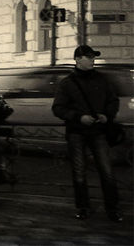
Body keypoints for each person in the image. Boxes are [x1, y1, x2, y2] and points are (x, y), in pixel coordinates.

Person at [51, 44, 122, 222]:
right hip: (77, 132)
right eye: (89, 57)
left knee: (107, 171)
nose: (92, 60)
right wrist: (78, 117)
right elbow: (58, 108)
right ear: (77, 59)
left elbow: (113, 101)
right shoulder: (67, 83)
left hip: (98, 131)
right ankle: (83, 207)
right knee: (79, 172)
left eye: (93, 57)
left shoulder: (102, 80)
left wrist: (107, 115)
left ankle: (112, 208)